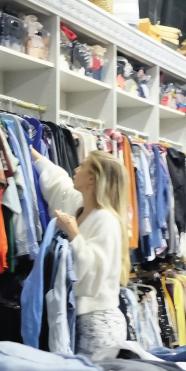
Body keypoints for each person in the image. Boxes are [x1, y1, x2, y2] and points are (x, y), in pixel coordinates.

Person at [50, 151, 130, 357]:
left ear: (92, 178)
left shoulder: (106, 219)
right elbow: (58, 183)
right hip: (82, 318)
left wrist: (74, 234)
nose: (76, 170)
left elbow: (93, 274)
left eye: (82, 166)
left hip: (98, 322)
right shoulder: (83, 211)